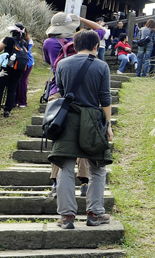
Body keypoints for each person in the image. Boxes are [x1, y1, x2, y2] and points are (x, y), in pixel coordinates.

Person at [48, 29, 114, 229]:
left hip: (68, 120)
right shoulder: (102, 66)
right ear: (96, 46)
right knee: (97, 168)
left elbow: (60, 89)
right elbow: (105, 98)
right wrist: (108, 125)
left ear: (74, 46)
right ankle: (95, 213)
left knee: (65, 167)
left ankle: (67, 217)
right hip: (93, 121)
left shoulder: (62, 64)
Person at [0, 25, 27, 117]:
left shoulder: (8, 39)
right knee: (12, 89)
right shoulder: (23, 42)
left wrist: (1, 40)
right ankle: (7, 111)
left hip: (7, 68)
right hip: (19, 69)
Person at [14, 24, 34, 108]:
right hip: (18, 62)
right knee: (16, 81)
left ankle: (22, 102)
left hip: (27, 63)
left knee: (22, 81)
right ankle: (14, 101)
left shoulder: (28, 41)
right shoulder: (26, 40)